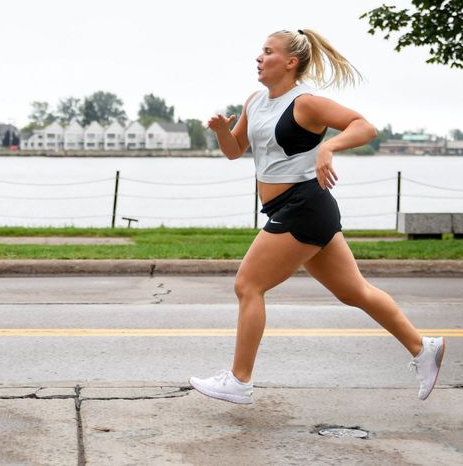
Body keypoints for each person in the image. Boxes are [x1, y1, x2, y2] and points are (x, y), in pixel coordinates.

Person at [189, 29, 445, 405]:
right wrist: (221, 132)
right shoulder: (255, 102)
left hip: (303, 206)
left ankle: (240, 381)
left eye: (267, 52)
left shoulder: (305, 103)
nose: (259, 58)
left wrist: (329, 146)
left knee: (248, 285)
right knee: (354, 291)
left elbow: (364, 126)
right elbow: (235, 151)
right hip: (297, 209)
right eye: (260, 52)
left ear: (290, 62)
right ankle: (424, 348)